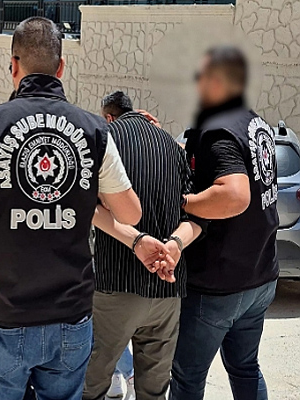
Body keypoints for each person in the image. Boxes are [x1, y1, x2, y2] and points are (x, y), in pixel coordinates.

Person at [0, 17, 142, 400]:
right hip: (70, 316)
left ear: (13, 66)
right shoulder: (95, 130)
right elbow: (130, 214)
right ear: (61, 67)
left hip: (3, 315)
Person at [170, 46, 279, 399]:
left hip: (218, 283)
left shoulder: (217, 130)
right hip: (260, 275)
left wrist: (183, 201)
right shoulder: (255, 124)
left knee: (186, 376)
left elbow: (235, 195)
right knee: (245, 368)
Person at [83, 91, 202, 400]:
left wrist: (135, 240)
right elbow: (195, 215)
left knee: (92, 385)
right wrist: (173, 245)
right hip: (168, 287)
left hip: (115, 284)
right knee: (154, 391)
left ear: (109, 117)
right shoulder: (172, 147)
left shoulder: (104, 140)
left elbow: (87, 204)